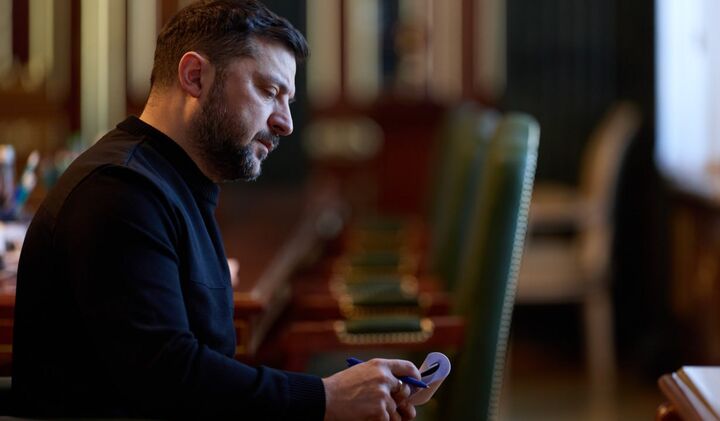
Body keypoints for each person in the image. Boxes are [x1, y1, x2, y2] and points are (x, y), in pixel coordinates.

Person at [10, 1, 420, 419]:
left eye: (288, 100)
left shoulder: (170, 178)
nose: (286, 123)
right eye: (269, 92)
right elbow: (168, 378)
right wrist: (325, 397)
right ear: (194, 76)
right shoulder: (119, 190)